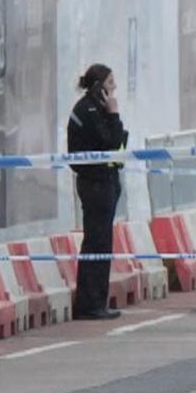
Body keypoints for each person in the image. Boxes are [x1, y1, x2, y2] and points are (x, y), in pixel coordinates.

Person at [66, 64, 128, 320]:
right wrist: (113, 114)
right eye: (110, 83)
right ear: (98, 87)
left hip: (107, 180)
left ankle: (98, 300)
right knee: (96, 242)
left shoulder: (98, 110)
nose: (114, 89)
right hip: (95, 183)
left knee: (103, 242)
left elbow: (120, 147)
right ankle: (89, 303)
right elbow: (111, 142)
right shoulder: (89, 111)